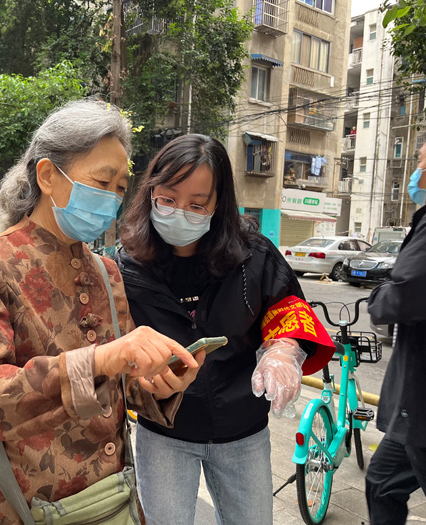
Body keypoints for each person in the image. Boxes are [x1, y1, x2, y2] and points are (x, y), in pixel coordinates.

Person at [0, 99, 203, 524]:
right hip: (17, 502)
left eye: (120, 187)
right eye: (102, 181)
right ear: (47, 175)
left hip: (107, 502)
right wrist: (98, 360)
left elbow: (123, 382)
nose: (112, 198)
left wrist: (160, 382)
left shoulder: (107, 271)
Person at [115, 134, 335, 525]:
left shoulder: (253, 254)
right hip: (165, 432)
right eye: (168, 199)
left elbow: (287, 308)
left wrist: (283, 350)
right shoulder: (127, 265)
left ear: (218, 205)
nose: (180, 212)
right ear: (150, 193)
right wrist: (138, 381)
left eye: (196, 204)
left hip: (242, 430)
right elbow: (112, 346)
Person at [366, 122, 426, 524]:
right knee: (382, 482)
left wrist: (378, 296)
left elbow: (404, 297)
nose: (415, 173)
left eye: (420, 161)